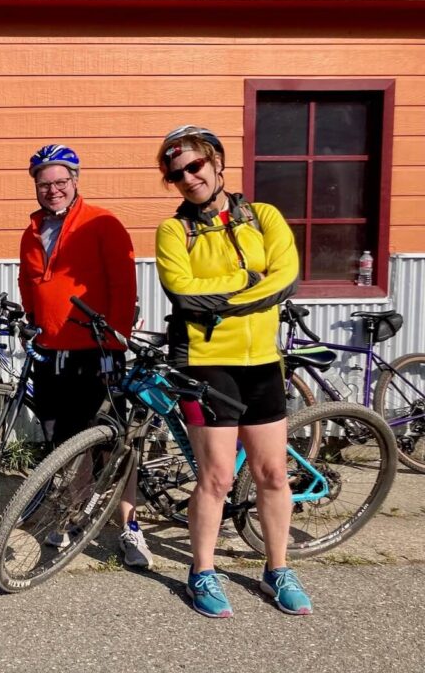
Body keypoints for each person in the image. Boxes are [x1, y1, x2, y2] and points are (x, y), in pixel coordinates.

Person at [154, 124, 310, 618]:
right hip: (206, 365)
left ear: (217, 161)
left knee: (272, 473)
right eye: (176, 174)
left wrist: (220, 299)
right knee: (217, 476)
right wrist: (248, 279)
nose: (187, 178)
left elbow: (286, 280)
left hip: (262, 361)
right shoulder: (173, 230)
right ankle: (201, 571)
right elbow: (183, 293)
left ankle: (277, 569)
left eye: (194, 166)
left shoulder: (264, 217)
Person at [18, 144, 152, 568]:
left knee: (116, 445)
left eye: (61, 182)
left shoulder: (102, 223)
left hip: (98, 351)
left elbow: (123, 285)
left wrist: (117, 341)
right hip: (52, 352)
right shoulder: (32, 229)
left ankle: (131, 529)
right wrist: (34, 321)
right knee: (68, 445)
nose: (53, 190)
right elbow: (28, 282)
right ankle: (75, 513)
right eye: (45, 184)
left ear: (76, 180)